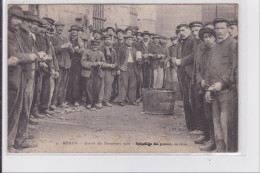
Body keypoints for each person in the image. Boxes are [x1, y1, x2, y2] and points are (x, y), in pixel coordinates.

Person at [8, 6, 40, 150]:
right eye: (26, 21)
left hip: (27, 73)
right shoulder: (15, 34)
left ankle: (20, 137)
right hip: (19, 74)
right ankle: (16, 140)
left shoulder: (26, 35)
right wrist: (34, 56)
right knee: (18, 108)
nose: (30, 25)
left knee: (24, 107)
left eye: (32, 23)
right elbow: (17, 56)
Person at [204, 18, 237, 152]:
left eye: (222, 28)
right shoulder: (215, 47)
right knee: (216, 121)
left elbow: (233, 68)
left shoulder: (233, 44)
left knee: (226, 123)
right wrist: (208, 89)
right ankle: (220, 149)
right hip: (214, 90)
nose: (219, 31)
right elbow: (210, 69)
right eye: (217, 29)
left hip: (228, 91)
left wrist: (221, 83)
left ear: (228, 29)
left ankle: (229, 152)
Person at [195, 27, 218, 151]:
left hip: (215, 87)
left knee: (213, 115)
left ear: (214, 37)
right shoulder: (203, 52)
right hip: (204, 87)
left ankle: (214, 141)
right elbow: (198, 69)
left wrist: (210, 84)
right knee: (206, 114)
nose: (208, 39)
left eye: (210, 36)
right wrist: (201, 80)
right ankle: (208, 137)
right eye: (205, 37)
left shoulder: (218, 51)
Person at [174, 24, 197, 131]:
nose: (181, 33)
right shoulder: (181, 41)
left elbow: (194, 55)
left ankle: (194, 126)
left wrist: (181, 61)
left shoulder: (193, 40)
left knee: (191, 100)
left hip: (190, 73)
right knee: (186, 100)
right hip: (182, 73)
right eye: (180, 31)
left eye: (183, 30)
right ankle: (190, 126)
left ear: (189, 30)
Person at [50, 21, 73, 109]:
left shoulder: (66, 38)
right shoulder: (52, 38)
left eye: (62, 27)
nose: (60, 28)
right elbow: (52, 51)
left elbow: (72, 52)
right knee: (57, 84)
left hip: (66, 64)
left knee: (64, 85)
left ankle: (61, 102)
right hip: (58, 64)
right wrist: (62, 46)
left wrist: (70, 47)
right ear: (55, 28)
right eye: (58, 27)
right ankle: (53, 103)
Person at [81, 40, 107, 111]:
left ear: (98, 46)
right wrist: (92, 64)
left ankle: (95, 102)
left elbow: (104, 62)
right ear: (91, 45)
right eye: (93, 45)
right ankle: (89, 102)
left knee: (97, 87)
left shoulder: (101, 53)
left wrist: (101, 63)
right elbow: (83, 62)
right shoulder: (86, 52)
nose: (95, 47)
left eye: (96, 46)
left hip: (98, 72)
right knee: (88, 87)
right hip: (88, 72)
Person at [117, 35, 140, 106]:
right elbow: (118, 59)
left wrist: (139, 60)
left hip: (133, 67)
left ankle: (132, 99)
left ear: (132, 41)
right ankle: (121, 100)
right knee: (123, 84)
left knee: (132, 84)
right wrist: (118, 68)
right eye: (127, 40)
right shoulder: (121, 48)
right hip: (124, 67)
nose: (129, 41)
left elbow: (137, 60)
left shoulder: (134, 49)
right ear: (125, 41)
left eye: (130, 40)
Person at [97, 34, 118, 108]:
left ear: (111, 40)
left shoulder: (113, 50)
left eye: (109, 39)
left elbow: (116, 60)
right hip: (102, 69)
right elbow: (98, 60)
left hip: (110, 71)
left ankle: (106, 100)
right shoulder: (100, 49)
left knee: (108, 86)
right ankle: (99, 101)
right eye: (106, 39)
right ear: (103, 40)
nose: (107, 41)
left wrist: (114, 65)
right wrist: (106, 65)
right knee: (101, 86)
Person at [66, 25, 85, 107]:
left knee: (76, 81)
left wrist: (78, 50)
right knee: (69, 80)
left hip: (77, 62)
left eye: (75, 31)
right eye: (72, 30)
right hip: (69, 61)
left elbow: (83, 51)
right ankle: (69, 99)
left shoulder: (80, 40)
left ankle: (76, 99)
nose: (74, 32)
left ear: (77, 32)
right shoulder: (68, 39)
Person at [135, 31, 154, 101]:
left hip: (149, 64)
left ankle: (146, 97)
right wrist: (141, 56)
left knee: (148, 81)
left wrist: (149, 55)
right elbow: (135, 53)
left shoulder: (152, 45)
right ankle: (139, 97)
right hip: (140, 64)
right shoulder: (137, 44)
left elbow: (156, 54)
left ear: (149, 37)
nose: (146, 37)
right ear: (142, 37)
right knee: (140, 80)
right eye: (144, 36)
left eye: (147, 36)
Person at [111, 29, 125, 101]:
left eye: (121, 34)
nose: (120, 35)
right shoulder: (115, 44)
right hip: (117, 63)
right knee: (116, 81)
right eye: (118, 34)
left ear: (123, 35)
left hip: (124, 64)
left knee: (123, 81)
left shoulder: (126, 43)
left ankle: (122, 96)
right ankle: (116, 95)